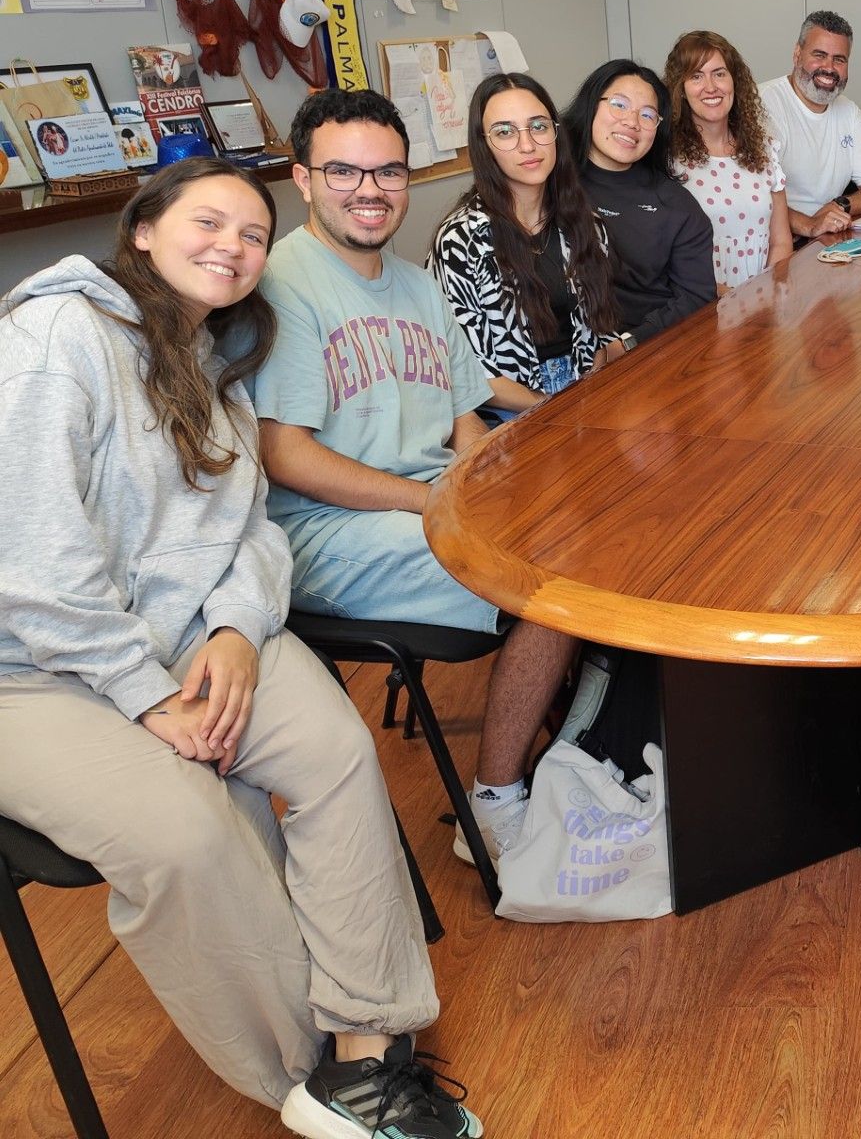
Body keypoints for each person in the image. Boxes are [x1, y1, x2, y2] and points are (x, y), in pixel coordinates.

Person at [0, 158, 482, 1138]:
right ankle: (307, 1078)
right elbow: (31, 562)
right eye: (208, 222)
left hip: (182, 636)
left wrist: (235, 630)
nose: (232, 246)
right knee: (185, 833)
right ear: (144, 230)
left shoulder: (217, 363)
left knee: (336, 754)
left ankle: (369, 1043)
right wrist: (145, 693)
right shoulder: (55, 336)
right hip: (31, 669)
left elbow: (250, 531)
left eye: (252, 235)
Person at [250, 88, 580, 867]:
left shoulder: (415, 284)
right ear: (302, 180)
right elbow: (285, 455)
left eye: (388, 172)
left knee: (594, 531)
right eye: (344, 172)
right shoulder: (281, 286)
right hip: (327, 535)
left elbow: (466, 416)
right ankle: (495, 805)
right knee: (558, 583)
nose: (370, 191)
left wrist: (486, 486)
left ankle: (578, 756)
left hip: (430, 503)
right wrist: (436, 500)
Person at [431, 72, 622, 417]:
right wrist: (552, 409)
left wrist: (590, 389)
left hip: (587, 390)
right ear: (483, 145)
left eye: (538, 126)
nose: (527, 145)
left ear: (556, 133)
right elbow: (470, 370)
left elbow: (601, 329)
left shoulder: (586, 223)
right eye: (504, 132)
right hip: (506, 410)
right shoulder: (460, 240)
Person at [562, 59, 716, 348]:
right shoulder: (551, 185)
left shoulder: (676, 205)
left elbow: (697, 296)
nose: (632, 122)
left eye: (647, 115)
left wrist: (628, 344)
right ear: (592, 104)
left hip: (646, 352)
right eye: (619, 105)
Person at [665, 30, 793, 290]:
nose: (710, 87)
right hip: (702, 307)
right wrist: (727, 299)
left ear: (735, 81)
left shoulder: (763, 150)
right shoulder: (668, 160)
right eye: (696, 76)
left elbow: (781, 241)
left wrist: (764, 295)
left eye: (720, 73)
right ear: (680, 89)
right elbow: (663, 257)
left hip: (765, 305)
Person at [760, 10, 861, 239]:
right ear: (797, 54)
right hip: (772, 242)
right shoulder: (761, 104)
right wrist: (809, 224)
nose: (829, 68)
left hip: (824, 238)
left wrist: (841, 205)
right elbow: (753, 197)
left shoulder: (849, 112)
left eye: (839, 59)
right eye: (819, 55)